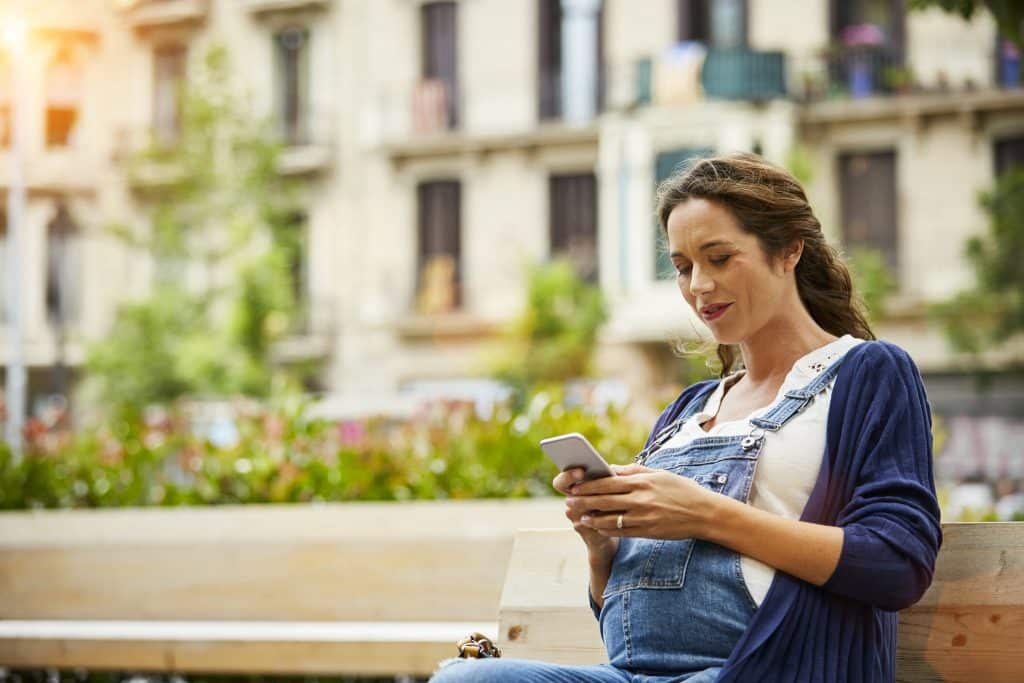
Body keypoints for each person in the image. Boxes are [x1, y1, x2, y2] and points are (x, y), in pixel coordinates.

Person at [430, 153, 942, 682]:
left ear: (789, 250)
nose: (698, 285)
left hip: (767, 669)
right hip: (636, 674)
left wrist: (705, 515)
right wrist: (604, 548)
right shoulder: (689, 410)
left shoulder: (866, 374)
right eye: (682, 267)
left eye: (719, 258)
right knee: (463, 680)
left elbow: (896, 565)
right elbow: (620, 626)